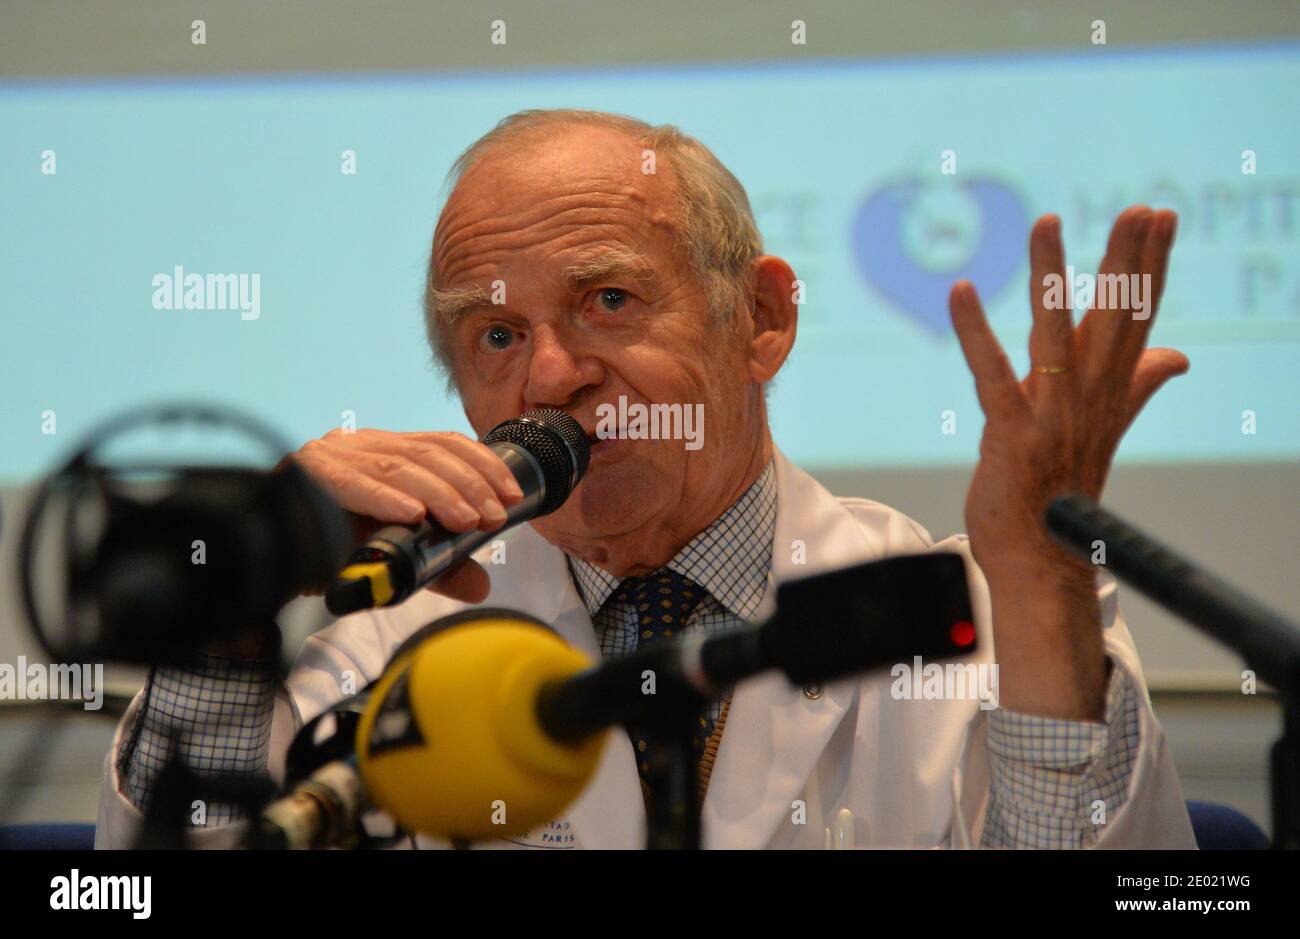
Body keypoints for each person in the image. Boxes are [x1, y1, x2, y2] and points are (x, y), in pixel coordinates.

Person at [96, 109, 1196, 849]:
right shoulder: (381, 644)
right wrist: (232, 591)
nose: (552, 376)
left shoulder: (974, 615)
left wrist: (1046, 578)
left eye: (607, 302)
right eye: (493, 334)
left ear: (759, 319)